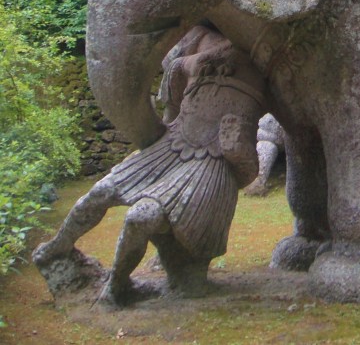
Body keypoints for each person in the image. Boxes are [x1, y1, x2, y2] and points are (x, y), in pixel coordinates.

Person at [33, 27, 266, 306]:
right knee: (101, 191)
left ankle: (116, 286)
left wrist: (237, 150)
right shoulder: (202, 40)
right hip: (171, 145)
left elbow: (248, 171)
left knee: (140, 217)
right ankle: (56, 248)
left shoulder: (264, 66)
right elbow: (172, 100)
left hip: (207, 168)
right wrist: (200, 61)